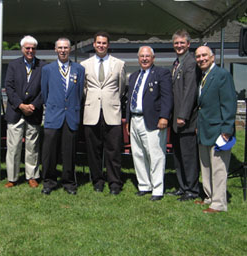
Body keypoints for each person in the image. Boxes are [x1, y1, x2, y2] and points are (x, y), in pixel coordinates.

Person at [81, 31, 126, 195]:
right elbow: (85, 88)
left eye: (104, 43)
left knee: (113, 150)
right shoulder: (85, 64)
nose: (101, 45)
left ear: (108, 45)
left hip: (112, 112)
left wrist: (109, 100)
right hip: (92, 112)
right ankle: (97, 181)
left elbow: (121, 89)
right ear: (94, 44)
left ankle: (114, 182)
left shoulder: (119, 64)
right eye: (98, 43)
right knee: (94, 151)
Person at [126, 46, 173, 201]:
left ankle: (157, 189)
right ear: (138, 58)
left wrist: (164, 117)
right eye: (141, 56)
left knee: (155, 155)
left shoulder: (162, 73)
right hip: (135, 119)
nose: (144, 59)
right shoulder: (133, 76)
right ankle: (144, 185)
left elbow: (167, 97)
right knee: (138, 154)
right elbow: (129, 100)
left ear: (153, 58)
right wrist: (128, 119)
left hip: (153, 120)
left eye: (147, 56)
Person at [194, 46, 236, 213]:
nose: (201, 58)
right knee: (205, 166)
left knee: (218, 168)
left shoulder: (222, 75)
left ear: (212, 57)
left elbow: (229, 103)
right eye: (198, 56)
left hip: (219, 130)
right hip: (204, 129)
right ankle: (209, 196)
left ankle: (218, 203)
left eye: (204, 55)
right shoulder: (203, 76)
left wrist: (227, 128)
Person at [40, 38, 85, 195]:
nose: (63, 50)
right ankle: (49, 182)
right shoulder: (47, 69)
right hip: (53, 115)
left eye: (66, 47)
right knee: (49, 153)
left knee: (69, 152)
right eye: (60, 48)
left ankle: (69, 182)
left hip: (71, 116)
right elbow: (45, 93)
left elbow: (79, 93)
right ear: (55, 49)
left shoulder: (79, 69)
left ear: (70, 49)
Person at [5, 35, 45, 188]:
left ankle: (32, 176)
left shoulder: (43, 66)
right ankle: (12, 178)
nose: (30, 50)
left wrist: (33, 106)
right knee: (13, 148)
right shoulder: (13, 65)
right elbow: (9, 87)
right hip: (16, 113)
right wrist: (20, 105)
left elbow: (44, 89)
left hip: (33, 113)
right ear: (22, 49)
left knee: (32, 148)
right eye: (27, 48)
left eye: (33, 48)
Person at [168, 29, 200, 201]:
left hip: (185, 121)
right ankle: (182, 187)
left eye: (182, 43)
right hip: (175, 120)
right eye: (176, 43)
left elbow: (190, 91)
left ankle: (192, 190)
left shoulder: (190, 63)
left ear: (188, 44)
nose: (179, 46)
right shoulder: (177, 62)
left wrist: (183, 116)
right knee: (178, 156)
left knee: (189, 157)